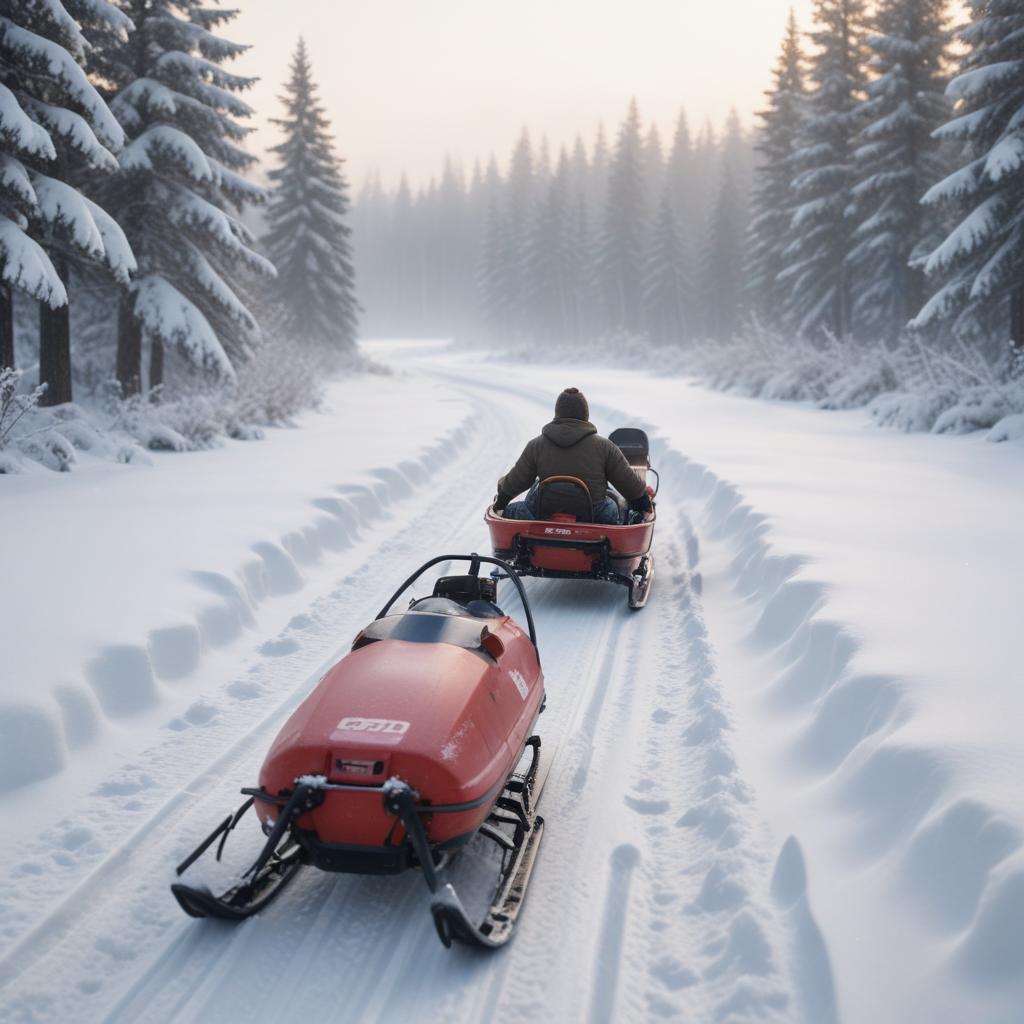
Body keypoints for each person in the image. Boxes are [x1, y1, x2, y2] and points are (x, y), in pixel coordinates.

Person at [494, 387, 653, 525]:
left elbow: (515, 482)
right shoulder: (605, 447)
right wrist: (644, 505)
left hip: (544, 514)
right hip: (595, 517)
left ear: (558, 413)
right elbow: (629, 485)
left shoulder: (536, 445)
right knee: (619, 509)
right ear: (585, 414)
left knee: (516, 508)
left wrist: (500, 503)